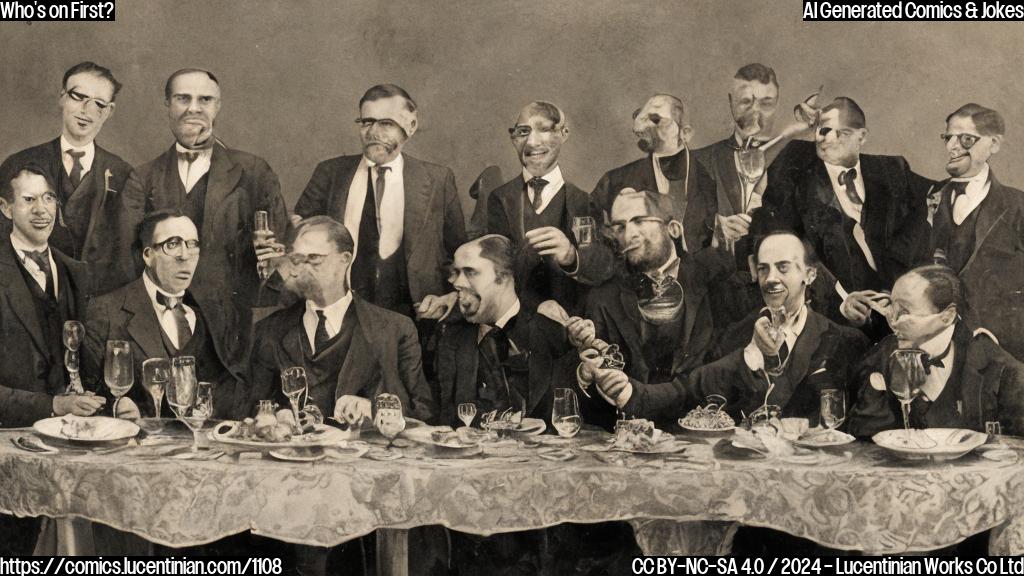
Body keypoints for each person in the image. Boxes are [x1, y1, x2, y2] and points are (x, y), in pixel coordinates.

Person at [134, 68, 290, 355]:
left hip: (233, 326)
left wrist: (267, 255)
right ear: (167, 105)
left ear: (217, 106)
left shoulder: (254, 172)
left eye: (205, 99)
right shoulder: (143, 177)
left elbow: (280, 256)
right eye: (183, 98)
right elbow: (130, 260)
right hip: (163, 323)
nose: (194, 108)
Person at [754, 97, 934, 334]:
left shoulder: (891, 169)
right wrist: (842, 300)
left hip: (895, 309)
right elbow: (751, 172)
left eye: (844, 133)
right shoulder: (796, 166)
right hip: (834, 315)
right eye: (825, 130)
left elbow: (936, 193)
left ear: (862, 136)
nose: (832, 139)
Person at [293, 84, 466, 322]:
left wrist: (450, 297)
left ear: (411, 126)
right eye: (367, 122)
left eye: (386, 123)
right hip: (341, 316)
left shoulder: (438, 180)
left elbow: (457, 253)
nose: (373, 132)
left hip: (415, 318)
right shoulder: (330, 173)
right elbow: (297, 238)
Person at [248, 216, 435, 423]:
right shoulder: (269, 330)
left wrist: (373, 409)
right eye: (297, 259)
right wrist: (274, 414)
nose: (301, 269)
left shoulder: (396, 329)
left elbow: (422, 413)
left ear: (345, 259)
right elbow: (250, 405)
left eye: (314, 259)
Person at [571, 189, 730, 430]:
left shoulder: (715, 282)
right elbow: (593, 410)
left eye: (639, 221)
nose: (629, 235)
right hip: (630, 445)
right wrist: (587, 374)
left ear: (673, 228)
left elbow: (725, 378)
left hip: (702, 438)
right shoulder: (603, 297)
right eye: (620, 227)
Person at [81, 210, 246, 420]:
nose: (185, 255)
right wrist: (117, 405)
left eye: (192, 244)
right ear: (148, 255)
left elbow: (233, 388)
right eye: (172, 244)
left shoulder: (213, 312)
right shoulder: (106, 310)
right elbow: (86, 392)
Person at [690, 231, 868, 422]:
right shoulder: (734, 335)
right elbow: (697, 393)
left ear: (810, 275)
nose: (770, 278)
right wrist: (750, 355)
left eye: (783, 268)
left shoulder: (846, 341)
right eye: (763, 269)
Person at [0, 62, 143, 295]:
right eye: (78, 97)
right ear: (62, 98)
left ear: (109, 111)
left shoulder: (124, 175)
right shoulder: (17, 165)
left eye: (98, 104)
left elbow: (128, 262)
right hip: (29, 301)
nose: (86, 110)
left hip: (97, 309)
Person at [693, 63, 811, 327]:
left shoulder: (800, 157)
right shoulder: (699, 161)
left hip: (788, 299)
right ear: (730, 102)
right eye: (746, 101)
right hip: (720, 302)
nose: (755, 111)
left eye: (766, 102)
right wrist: (715, 228)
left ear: (778, 103)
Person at [847, 265, 1024, 437]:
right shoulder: (880, 356)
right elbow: (860, 434)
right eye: (891, 308)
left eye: (904, 311)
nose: (893, 322)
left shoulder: (1000, 369)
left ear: (947, 316)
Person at [436, 234, 578, 428]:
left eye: (470, 272)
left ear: (503, 276)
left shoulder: (553, 332)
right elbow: (446, 421)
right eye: (456, 272)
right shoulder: (452, 339)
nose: (457, 283)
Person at [485, 101, 613, 313]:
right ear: (513, 139)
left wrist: (571, 256)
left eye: (544, 129)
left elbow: (604, 267)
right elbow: (492, 270)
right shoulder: (499, 199)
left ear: (564, 134)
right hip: (517, 321)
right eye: (523, 132)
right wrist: (535, 304)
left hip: (572, 323)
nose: (532, 142)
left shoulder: (584, 202)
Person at [0, 165, 98, 427]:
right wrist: (51, 405)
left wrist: (116, 400)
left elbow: (92, 366)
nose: (41, 209)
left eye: (48, 198)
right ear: (6, 208)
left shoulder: (76, 272)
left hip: (73, 431)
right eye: (29, 200)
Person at [926, 103, 1024, 360]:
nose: (952, 147)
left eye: (966, 139)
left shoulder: (1018, 206)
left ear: (994, 144)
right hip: (938, 347)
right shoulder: (926, 197)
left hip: (1003, 350)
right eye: (948, 138)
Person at [591, 94, 717, 252]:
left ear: (685, 133)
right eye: (639, 116)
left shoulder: (714, 178)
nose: (640, 127)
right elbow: (587, 231)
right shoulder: (614, 181)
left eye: (656, 119)